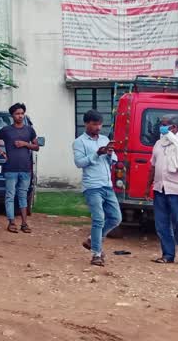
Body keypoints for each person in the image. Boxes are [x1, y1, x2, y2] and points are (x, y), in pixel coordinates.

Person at [146, 116, 178, 267]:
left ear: (174, 128)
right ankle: (167, 255)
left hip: (177, 190)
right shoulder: (159, 143)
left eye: (164, 125)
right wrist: (147, 187)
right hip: (160, 189)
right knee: (162, 225)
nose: (161, 128)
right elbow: (153, 167)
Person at [73, 110, 122, 266]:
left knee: (116, 218)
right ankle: (96, 254)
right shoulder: (79, 142)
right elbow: (79, 163)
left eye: (100, 124)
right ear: (86, 124)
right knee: (99, 219)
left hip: (107, 185)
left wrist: (108, 153)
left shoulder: (104, 139)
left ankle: (92, 240)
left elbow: (114, 159)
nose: (98, 127)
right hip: (92, 186)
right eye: (94, 124)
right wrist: (96, 154)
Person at [0, 102, 39, 234]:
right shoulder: (6, 130)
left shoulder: (29, 130)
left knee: (23, 195)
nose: (20, 116)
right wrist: (2, 152)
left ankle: (24, 223)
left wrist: (25, 144)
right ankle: (11, 222)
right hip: (10, 168)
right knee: (10, 195)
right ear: (12, 115)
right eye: (17, 113)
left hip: (25, 169)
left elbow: (37, 146)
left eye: (22, 113)